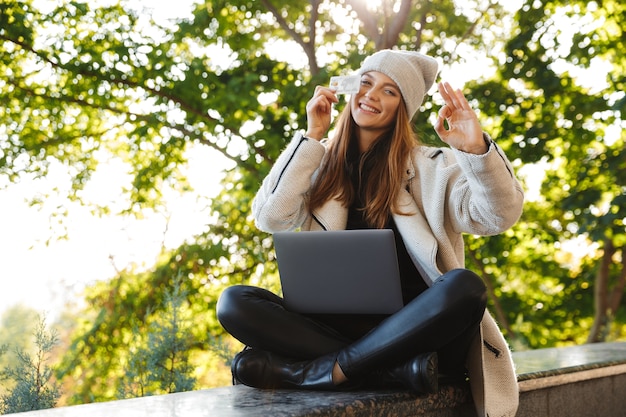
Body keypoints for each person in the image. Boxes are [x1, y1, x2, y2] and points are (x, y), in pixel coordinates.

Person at [216, 49, 524, 417]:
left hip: (419, 336)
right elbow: (270, 217)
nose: (371, 95)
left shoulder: (435, 166)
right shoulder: (317, 163)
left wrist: (476, 148)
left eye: (389, 91)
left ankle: (323, 369)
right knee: (234, 302)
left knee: (465, 287)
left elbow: (497, 216)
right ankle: (387, 372)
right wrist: (313, 136)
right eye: (366, 83)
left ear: (403, 108)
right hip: (338, 330)